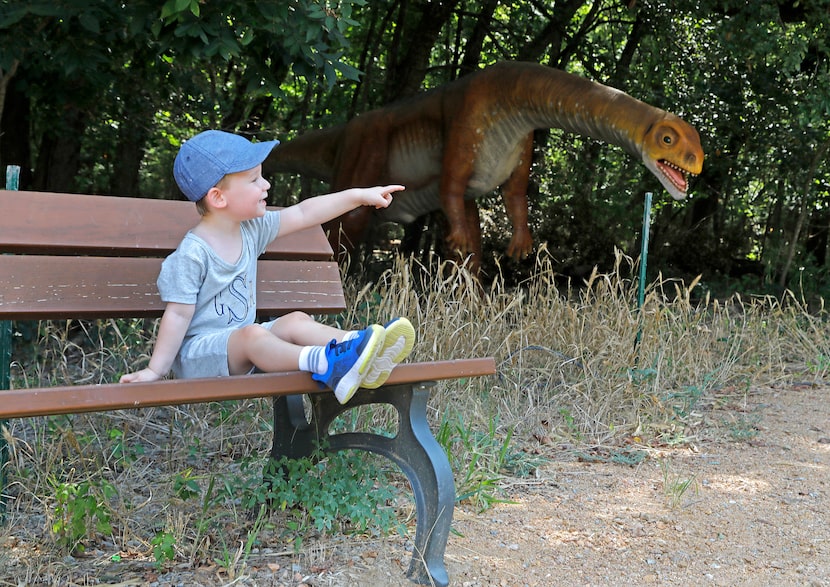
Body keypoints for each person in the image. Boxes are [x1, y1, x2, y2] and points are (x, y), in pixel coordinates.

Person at [120, 130, 415, 404]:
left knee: (295, 320)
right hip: (201, 357)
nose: (266, 185)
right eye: (254, 180)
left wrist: (359, 196)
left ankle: (359, 348)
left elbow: (303, 212)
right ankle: (326, 363)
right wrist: (155, 371)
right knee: (253, 335)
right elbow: (178, 314)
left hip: (243, 344)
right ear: (218, 197)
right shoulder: (192, 254)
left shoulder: (250, 230)